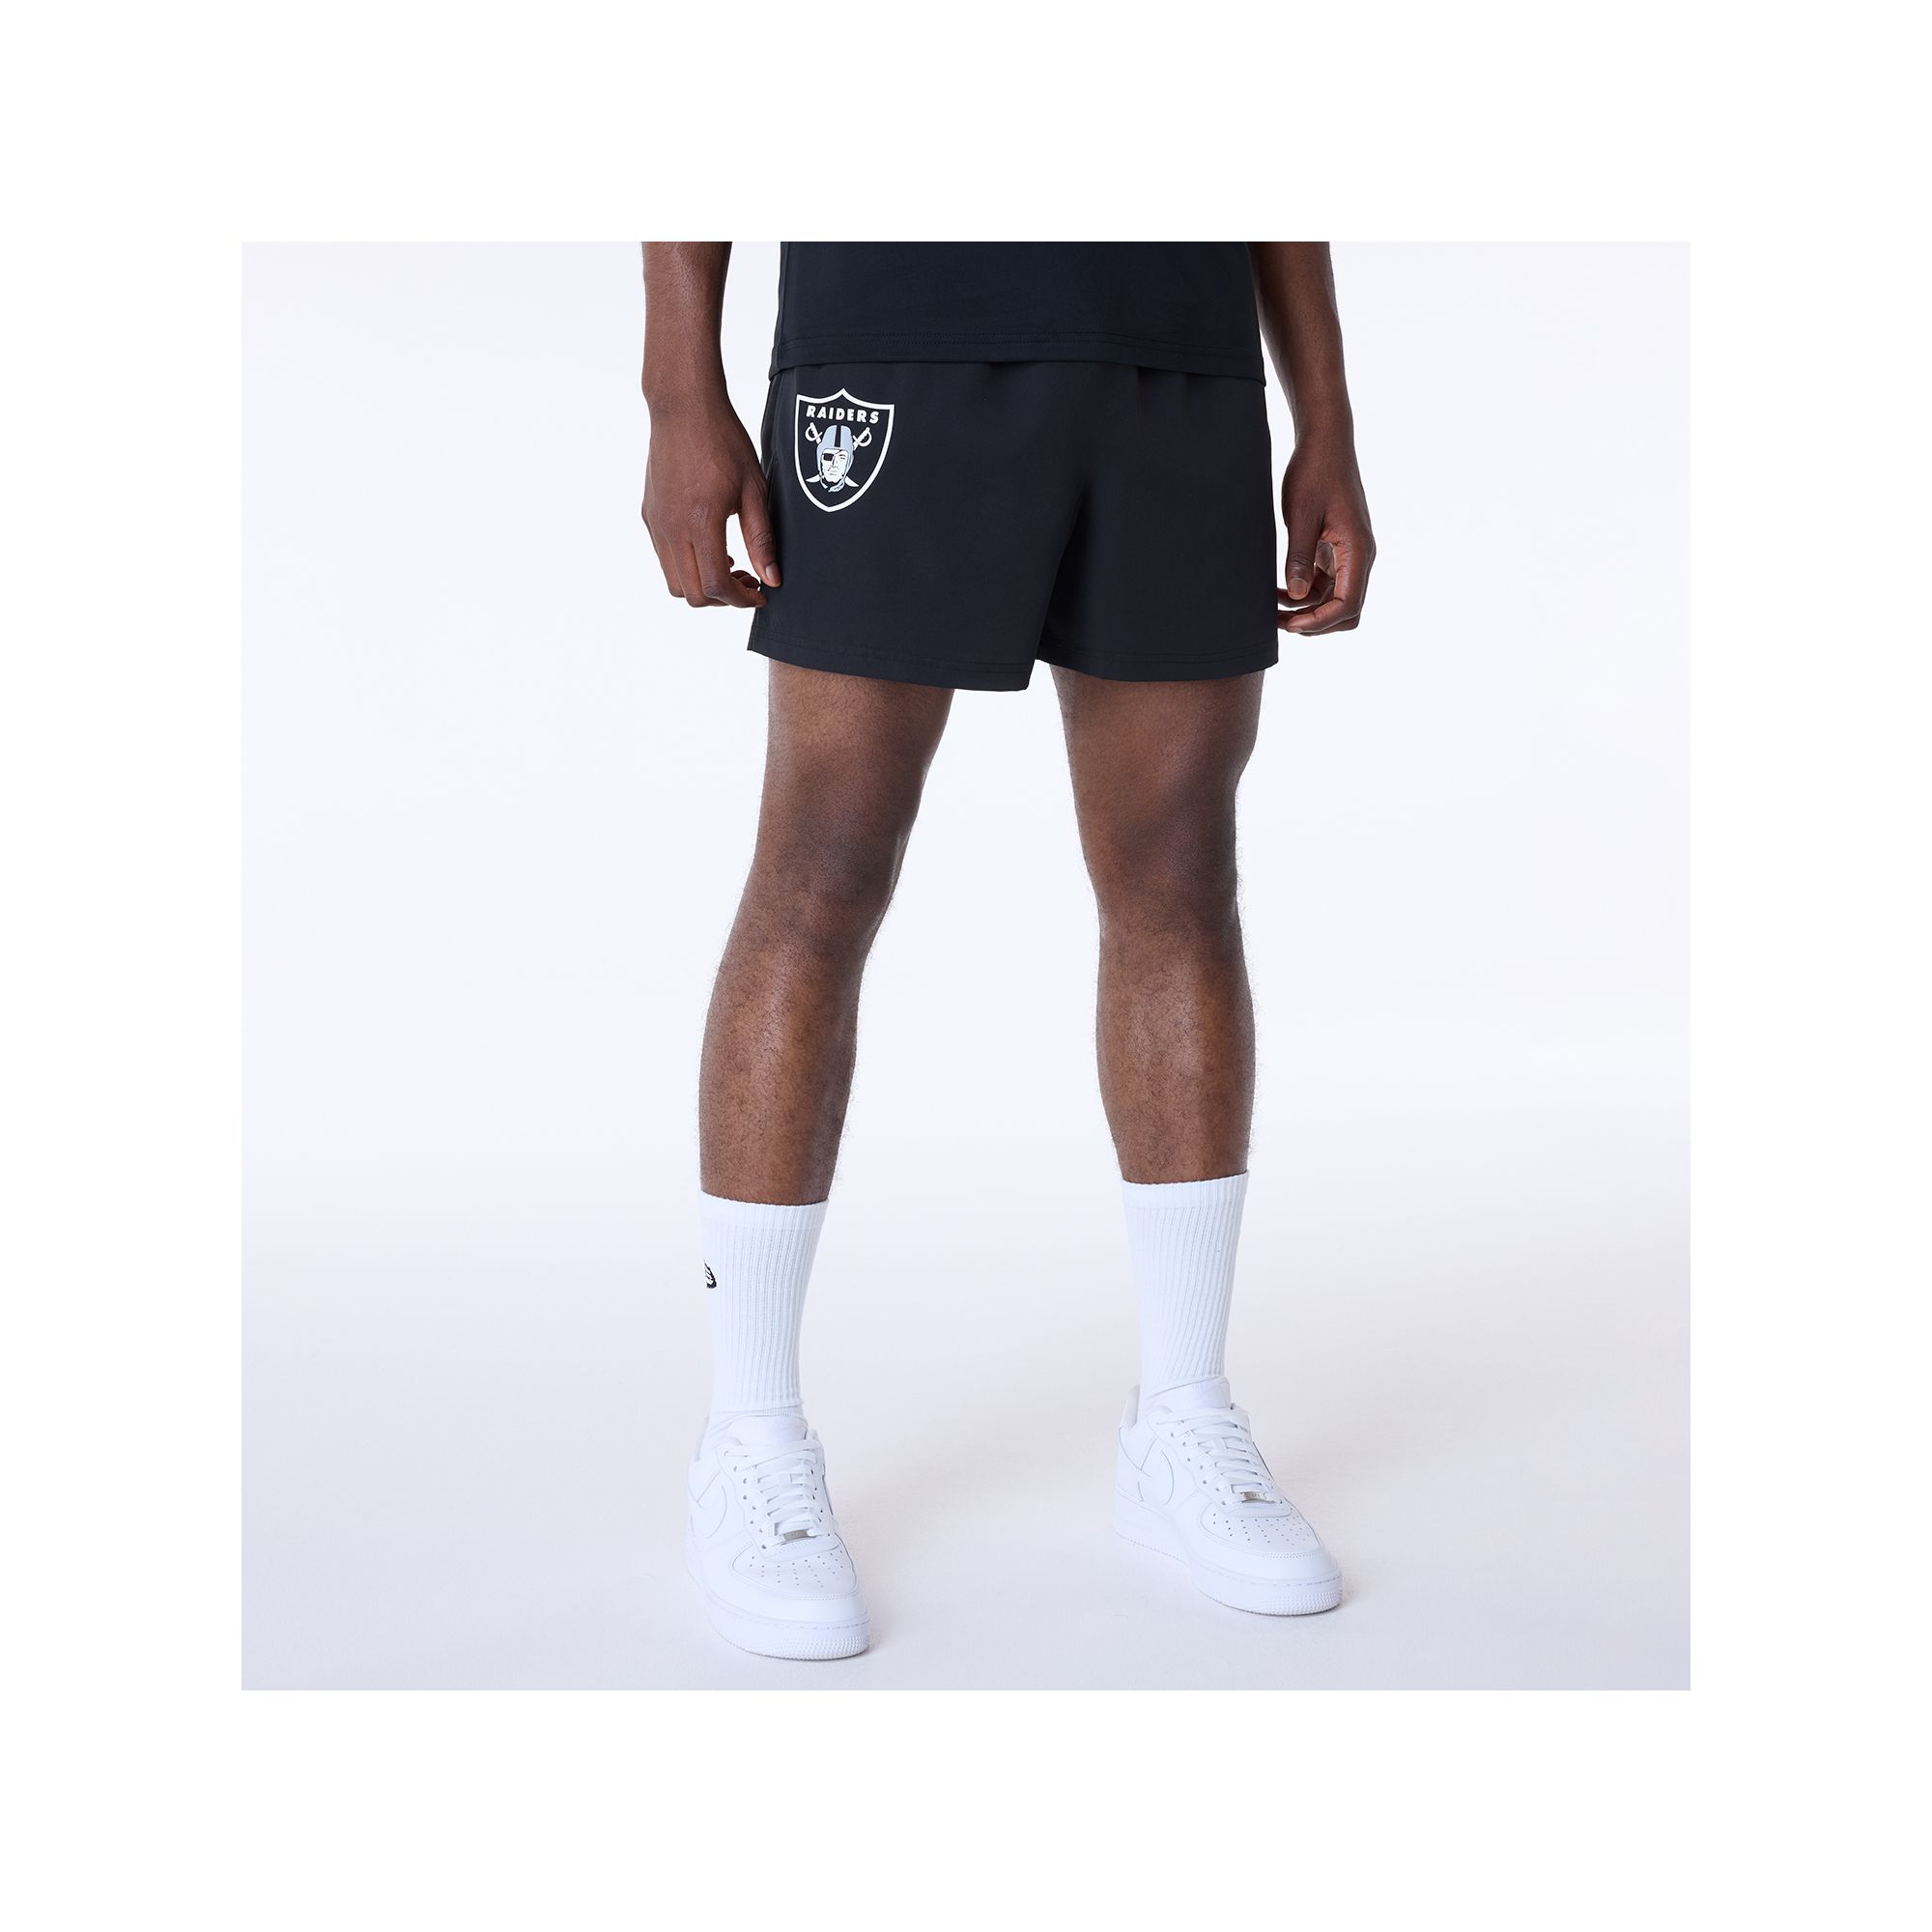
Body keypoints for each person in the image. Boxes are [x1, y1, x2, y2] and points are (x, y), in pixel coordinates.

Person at [642, 242, 1375, 1659]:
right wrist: (682, 388)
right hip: (898, 335)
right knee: (823, 869)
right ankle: (748, 1435)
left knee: (1179, 875)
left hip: (1177, 355)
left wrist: (1325, 418)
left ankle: (1182, 1417)